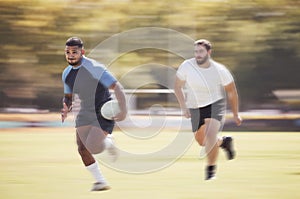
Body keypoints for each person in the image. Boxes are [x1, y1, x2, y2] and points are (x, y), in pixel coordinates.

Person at [61, 37, 127, 191]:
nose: (70, 55)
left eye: (74, 52)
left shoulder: (94, 67)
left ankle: (108, 142)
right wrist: (65, 106)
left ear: (82, 52)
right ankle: (100, 182)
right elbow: (68, 96)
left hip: (103, 110)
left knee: (94, 147)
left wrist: (123, 110)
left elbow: (117, 87)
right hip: (85, 110)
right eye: (67, 52)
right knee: (82, 149)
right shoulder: (66, 73)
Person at [174, 39, 242, 180]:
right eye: (196, 51)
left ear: (209, 52)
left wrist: (236, 114)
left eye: (201, 51)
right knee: (202, 141)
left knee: (210, 136)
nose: (198, 54)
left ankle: (211, 172)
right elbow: (177, 87)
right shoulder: (187, 66)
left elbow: (232, 92)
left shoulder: (219, 70)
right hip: (194, 106)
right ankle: (224, 142)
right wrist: (183, 107)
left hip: (214, 104)